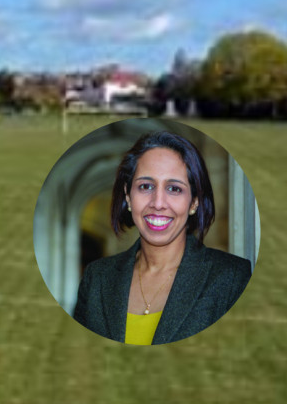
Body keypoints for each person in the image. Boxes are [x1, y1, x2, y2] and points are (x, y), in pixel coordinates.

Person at [72, 130, 252, 345]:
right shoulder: (96, 279)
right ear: (129, 197)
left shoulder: (232, 278)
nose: (158, 203)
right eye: (146, 186)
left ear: (194, 202)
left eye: (174, 188)